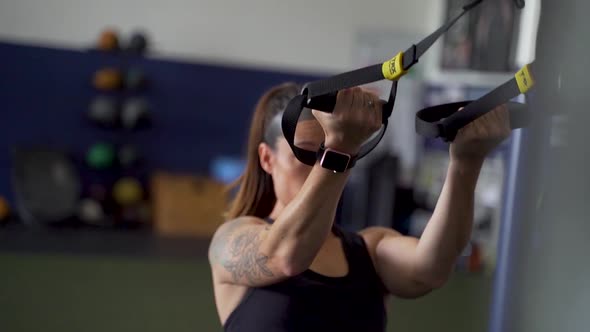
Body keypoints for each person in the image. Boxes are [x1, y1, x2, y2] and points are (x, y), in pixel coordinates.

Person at [208, 82, 510, 332]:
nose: (318, 167)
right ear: (267, 159)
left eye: (324, 154)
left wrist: (466, 163)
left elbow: (431, 268)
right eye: (306, 153)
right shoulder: (231, 239)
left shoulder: (371, 251)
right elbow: (285, 256)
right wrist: (339, 150)